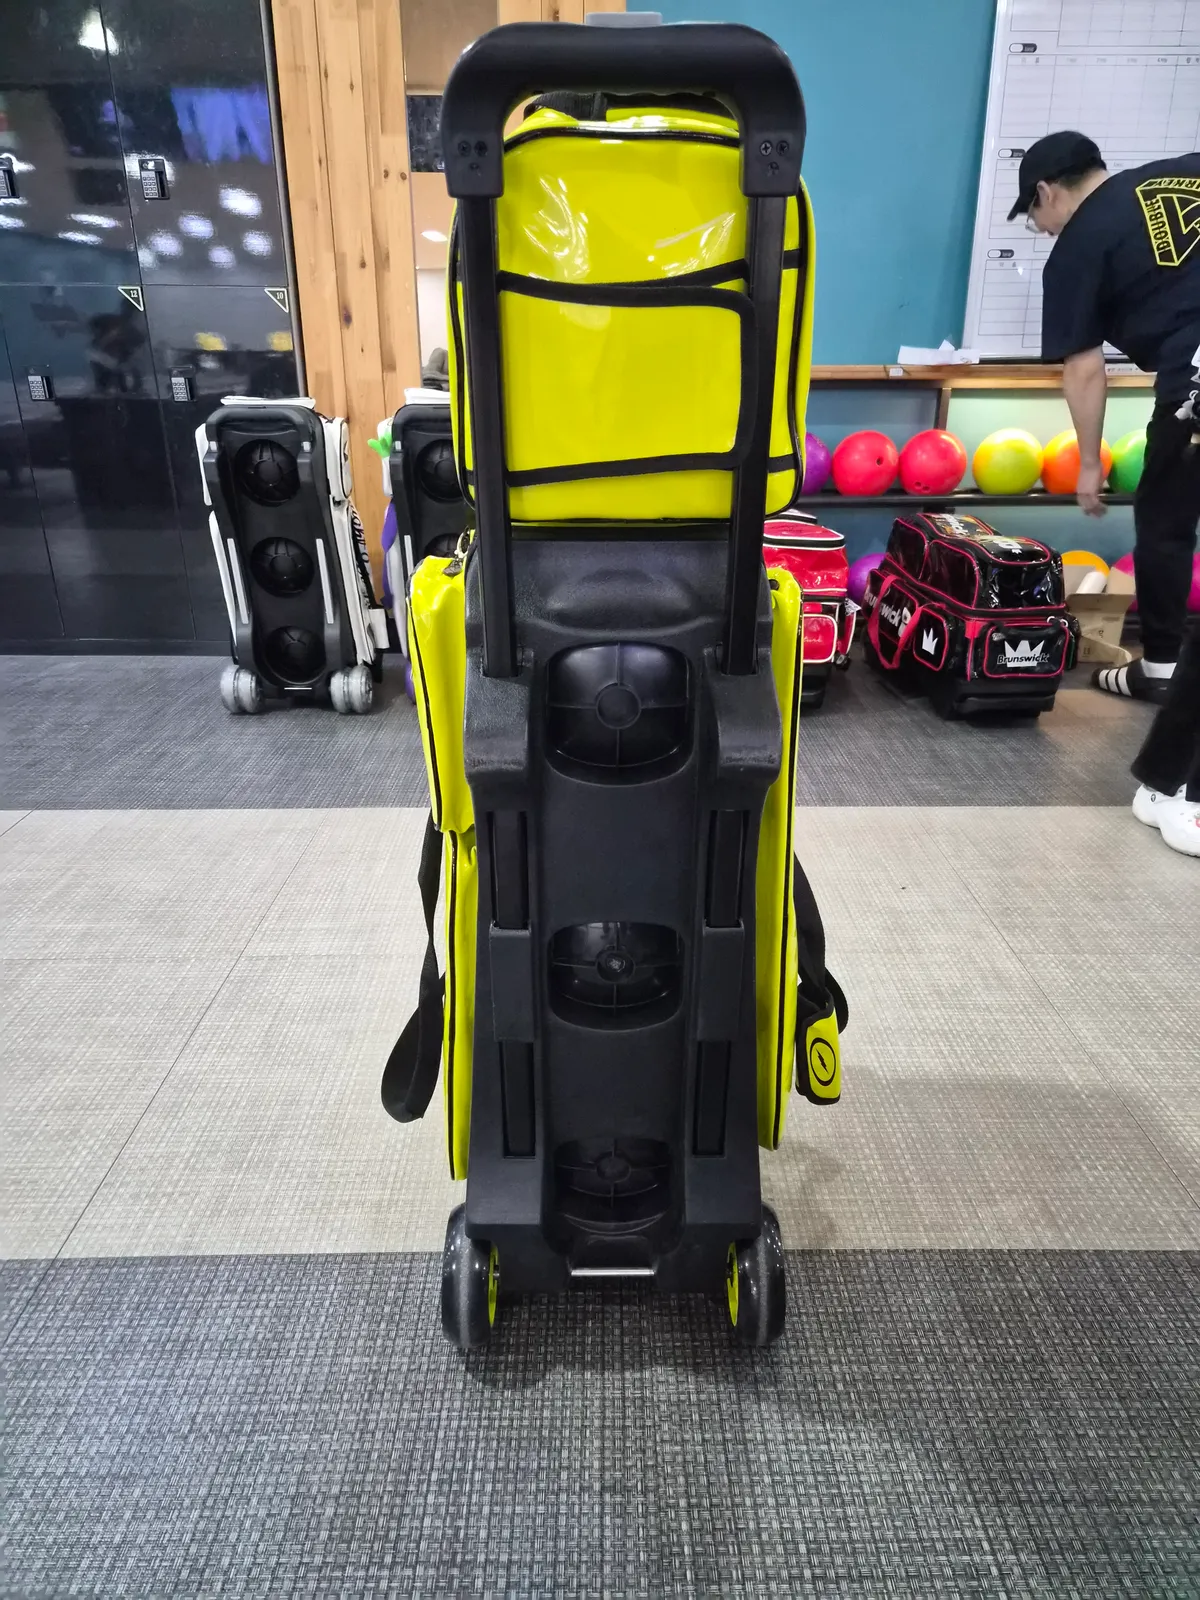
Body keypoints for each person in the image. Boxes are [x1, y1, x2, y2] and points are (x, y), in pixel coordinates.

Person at [1010, 131, 1200, 857]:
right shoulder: (1183, 171)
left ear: (1046, 192)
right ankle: (1164, 743)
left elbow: (1085, 370)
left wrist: (1088, 464)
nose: (1041, 229)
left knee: (1165, 522)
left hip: (1195, 385)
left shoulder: (1077, 248)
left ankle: (1160, 669)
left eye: (1034, 216)